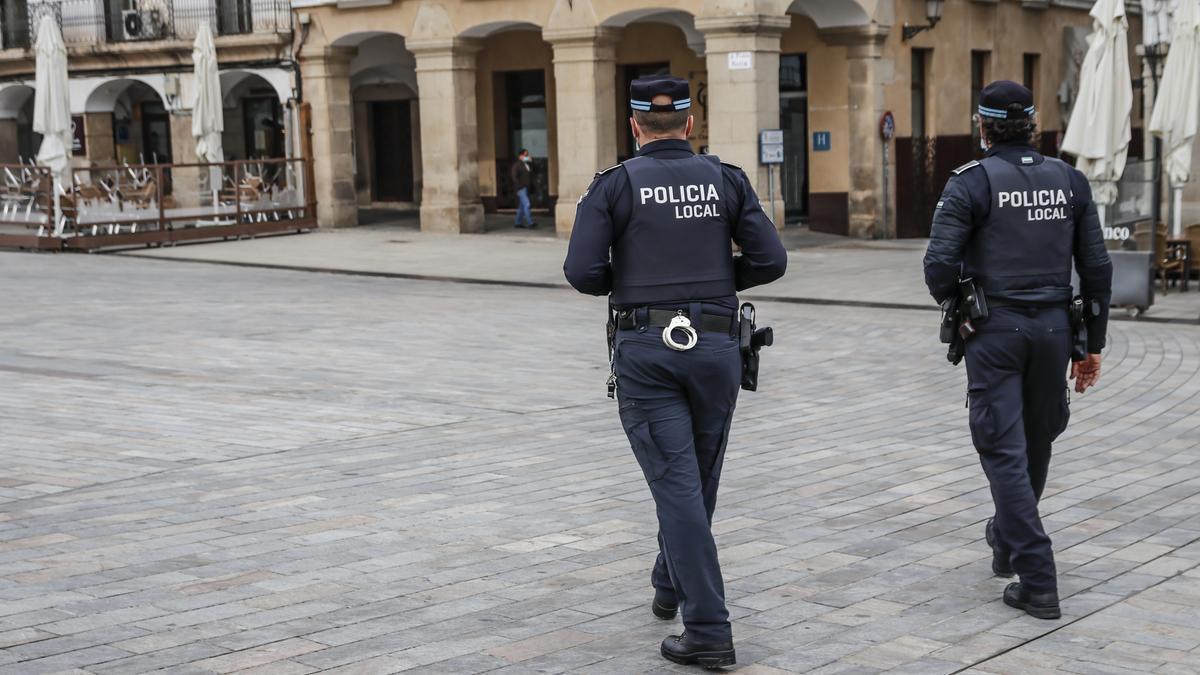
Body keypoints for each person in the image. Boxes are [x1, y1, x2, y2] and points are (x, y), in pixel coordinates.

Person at [564, 75, 786, 666]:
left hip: (647, 349)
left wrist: (639, 288)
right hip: (715, 347)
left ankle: (709, 629)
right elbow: (771, 261)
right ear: (690, 123)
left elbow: (582, 271)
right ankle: (669, 583)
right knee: (697, 481)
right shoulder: (727, 179)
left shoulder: (614, 186)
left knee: (679, 485)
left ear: (635, 125)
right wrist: (712, 285)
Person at [923, 81, 1112, 620]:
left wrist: (961, 308)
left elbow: (938, 267)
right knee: (1037, 437)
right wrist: (1090, 345)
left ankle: (1038, 574)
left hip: (993, 329)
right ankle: (1006, 539)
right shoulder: (1069, 180)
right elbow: (1097, 269)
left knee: (1003, 446)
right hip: (1056, 329)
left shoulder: (970, 183)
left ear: (981, 127)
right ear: (1033, 123)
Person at [511, 149, 535, 229]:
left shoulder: (527, 164)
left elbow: (532, 172)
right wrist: (520, 186)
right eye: (525, 155)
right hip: (521, 189)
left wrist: (531, 161)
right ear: (520, 156)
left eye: (527, 155)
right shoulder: (516, 165)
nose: (527, 156)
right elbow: (514, 177)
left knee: (521, 206)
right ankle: (530, 223)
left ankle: (518, 222)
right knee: (527, 204)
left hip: (527, 188)